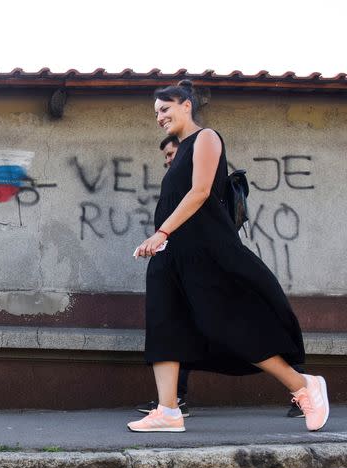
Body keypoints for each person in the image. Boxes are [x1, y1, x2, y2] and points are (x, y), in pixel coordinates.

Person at [127, 80, 329, 433]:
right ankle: (169, 411)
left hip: (202, 251)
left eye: (165, 109)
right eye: (156, 112)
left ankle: (303, 385)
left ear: (186, 105)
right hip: (172, 252)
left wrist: (161, 232)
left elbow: (201, 192)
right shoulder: (178, 152)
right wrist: (164, 241)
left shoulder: (206, 139)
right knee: (164, 326)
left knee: (229, 325)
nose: (159, 117)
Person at [136, 135, 191, 418]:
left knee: (239, 326)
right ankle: (172, 400)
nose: (168, 160)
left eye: (172, 154)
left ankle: (300, 384)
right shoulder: (176, 184)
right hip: (178, 267)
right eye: (166, 157)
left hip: (195, 267)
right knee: (176, 328)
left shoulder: (195, 183)